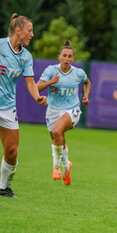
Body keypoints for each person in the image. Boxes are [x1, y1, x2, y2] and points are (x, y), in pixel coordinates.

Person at [0, 13, 47, 198]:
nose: (32, 35)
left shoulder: (26, 57)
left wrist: (37, 97)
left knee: (11, 151)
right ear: (18, 30)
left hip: (7, 107)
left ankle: (3, 187)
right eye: (29, 31)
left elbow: (30, 83)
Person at [36, 40, 91, 185]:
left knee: (56, 131)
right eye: (64, 56)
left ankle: (56, 167)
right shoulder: (50, 70)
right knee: (57, 138)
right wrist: (51, 82)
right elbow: (37, 87)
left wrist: (86, 96)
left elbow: (87, 82)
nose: (67, 59)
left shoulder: (78, 73)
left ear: (73, 58)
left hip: (72, 109)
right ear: (59, 56)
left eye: (70, 56)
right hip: (53, 110)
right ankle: (66, 166)